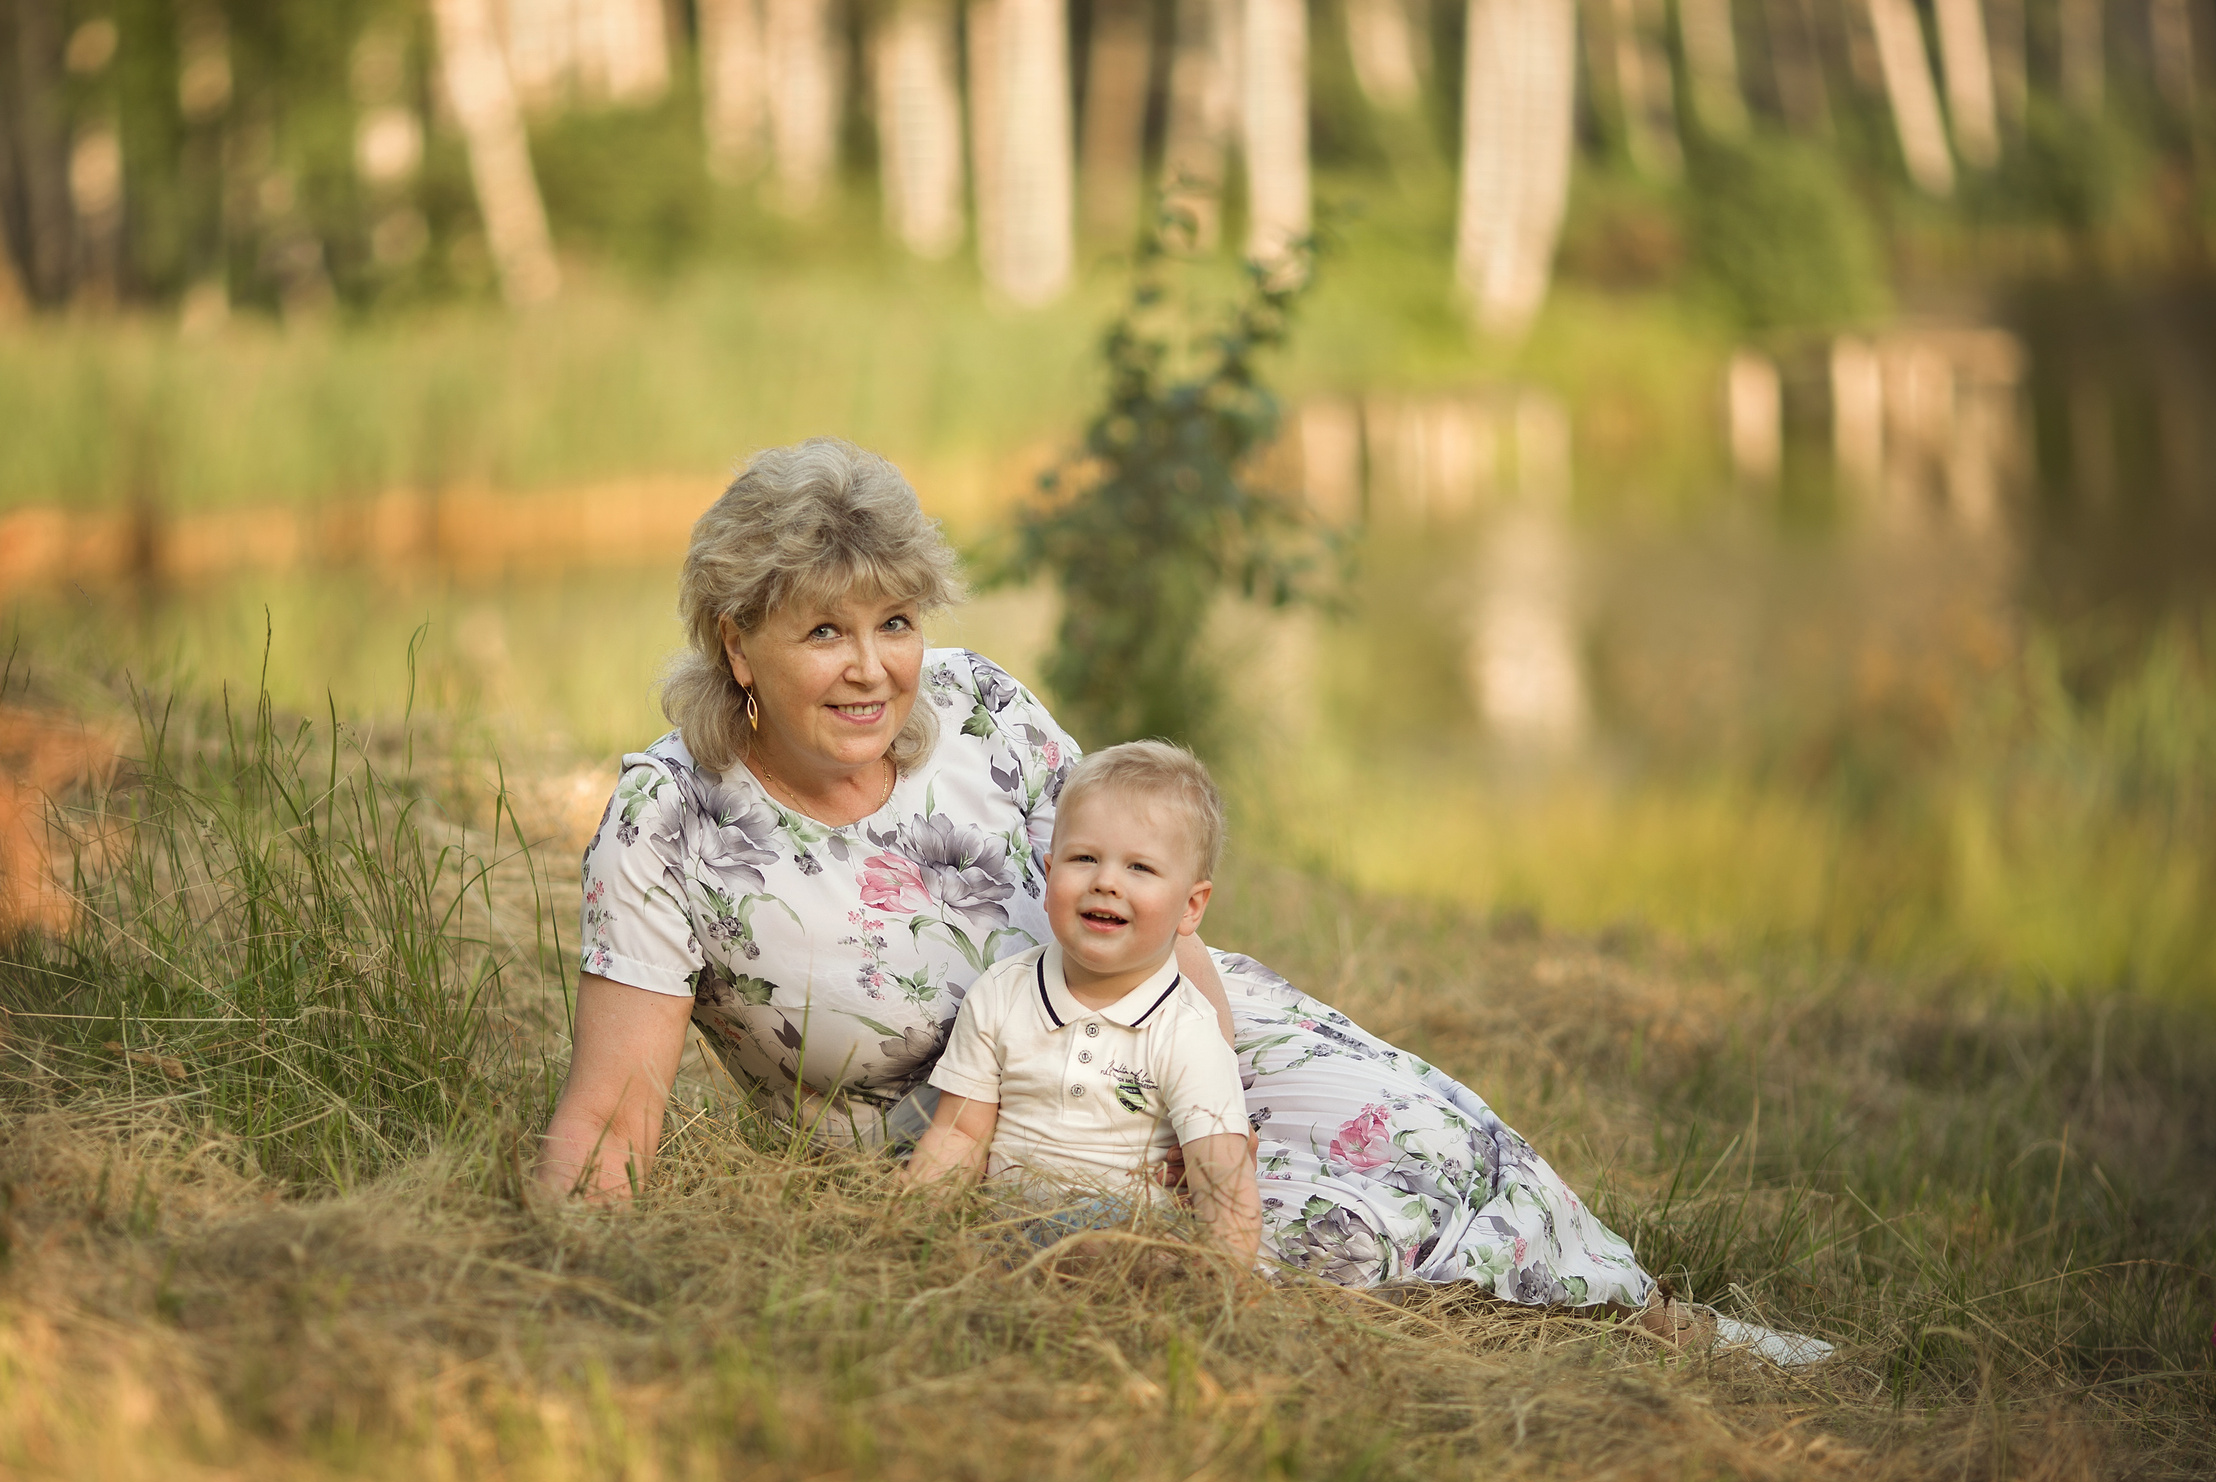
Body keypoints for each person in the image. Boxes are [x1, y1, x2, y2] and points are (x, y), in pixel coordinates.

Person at [540, 437, 1769, 1350]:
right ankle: (1541, 1347)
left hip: (1181, 1018)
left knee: (1424, 1126)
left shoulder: (975, 704)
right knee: (1320, 1236)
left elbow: (1137, 863)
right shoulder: (673, 822)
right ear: (734, 640)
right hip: (986, 1143)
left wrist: (1206, 1100)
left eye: (896, 620)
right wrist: (569, 1300)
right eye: (823, 634)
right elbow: (611, 1125)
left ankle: (1658, 1325)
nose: (875, 671)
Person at [899, 742, 1262, 1267]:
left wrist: (1234, 1290)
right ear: (1048, 878)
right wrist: (912, 1224)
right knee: (975, 1246)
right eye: (1084, 858)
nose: (1106, 881)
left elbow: (1223, 1183)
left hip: (1129, 1239)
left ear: (1191, 906)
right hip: (1007, 1226)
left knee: (1136, 1249)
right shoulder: (1002, 994)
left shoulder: (1188, 1031)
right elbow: (959, 1135)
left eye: (1140, 867)